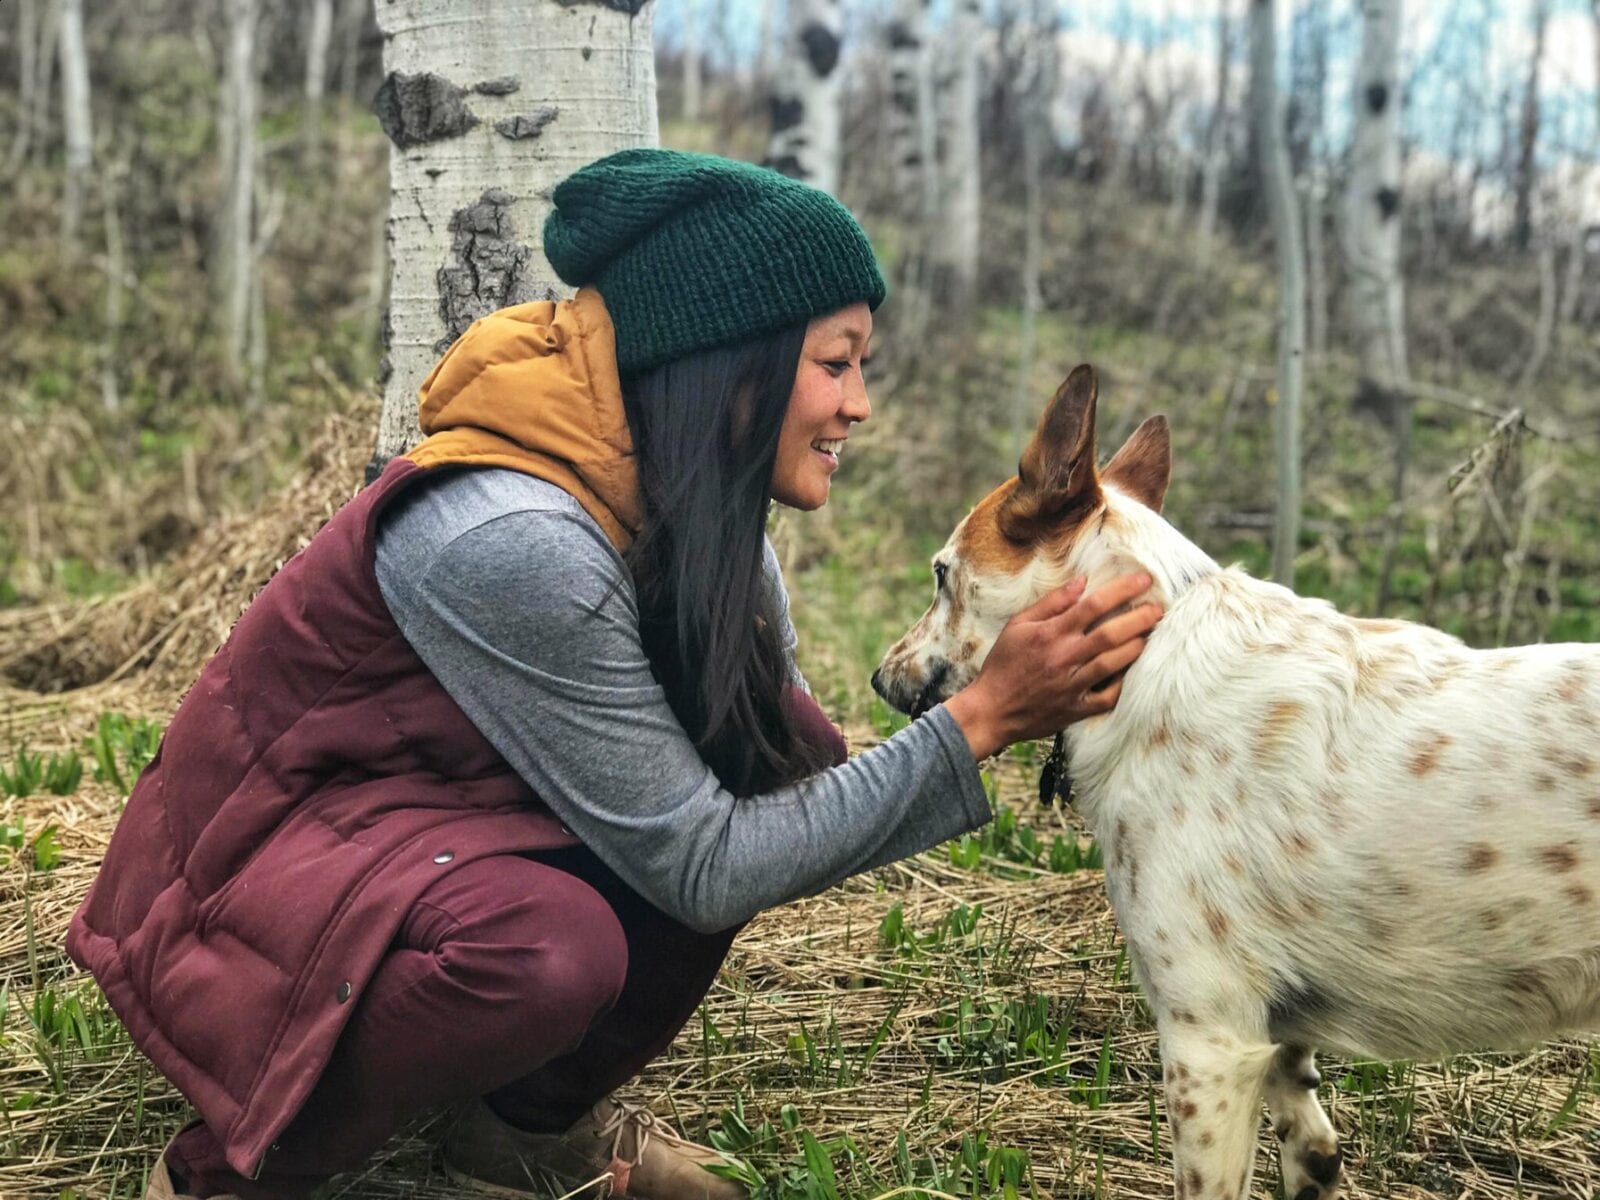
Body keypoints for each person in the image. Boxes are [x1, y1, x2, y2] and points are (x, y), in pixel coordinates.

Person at [66, 149, 1161, 1200]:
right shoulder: (513, 536)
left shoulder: (697, 519)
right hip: (240, 898)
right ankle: (228, 1171)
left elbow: (763, 796)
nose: (859, 405)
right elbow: (703, 864)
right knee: (547, 952)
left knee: (785, 752)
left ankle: (522, 1129)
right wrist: (975, 719)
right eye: (834, 363)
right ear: (726, 360)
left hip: (417, 839)